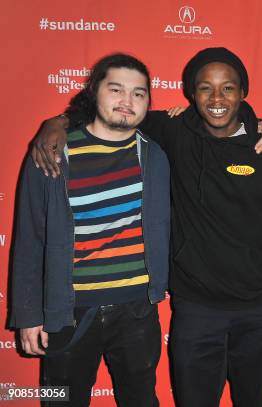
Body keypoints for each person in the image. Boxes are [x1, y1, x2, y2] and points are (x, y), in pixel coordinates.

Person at [29, 48, 262, 407]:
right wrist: (57, 122)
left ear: (243, 92)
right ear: (191, 93)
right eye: (205, 88)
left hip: (260, 307)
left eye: (228, 88)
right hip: (195, 307)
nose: (216, 98)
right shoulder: (171, 131)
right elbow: (113, 115)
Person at [10, 53, 170, 406]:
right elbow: (30, 238)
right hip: (68, 311)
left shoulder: (154, 155)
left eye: (139, 93)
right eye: (116, 90)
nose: (127, 102)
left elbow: (217, 117)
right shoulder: (52, 153)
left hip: (137, 309)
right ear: (94, 92)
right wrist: (29, 314)